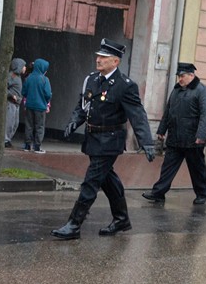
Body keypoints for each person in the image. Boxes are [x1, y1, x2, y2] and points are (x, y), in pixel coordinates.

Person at [51, 39, 156, 239]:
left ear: (115, 61)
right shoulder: (91, 79)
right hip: (93, 138)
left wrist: (146, 141)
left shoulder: (125, 86)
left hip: (110, 140)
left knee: (91, 181)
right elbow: (83, 105)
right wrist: (74, 121)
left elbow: (137, 115)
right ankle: (121, 219)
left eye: (103, 57)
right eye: (98, 56)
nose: (98, 59)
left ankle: (74, 224)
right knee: (108, 180)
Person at [142, 62, 206, 205]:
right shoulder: (176, 91)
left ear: (191, 75)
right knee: (167, 167)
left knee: (197, 169)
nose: (180, 79)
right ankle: (158, 193)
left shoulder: (202, 91)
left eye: (182, 76)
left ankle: (202, 194)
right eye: (179, 76)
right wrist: (161, 130)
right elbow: (168, 112)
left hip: (193, 140)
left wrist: (201, 136)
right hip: (175, 138)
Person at [20, 58, 52, 153]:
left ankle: (27, 145)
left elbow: (24, 92)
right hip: (40, 107)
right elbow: (48, 94)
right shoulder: (45, 79)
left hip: (29, 105)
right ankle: (37, 146)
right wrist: (46, 102)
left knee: (29, 125)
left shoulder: (28, 78)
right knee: (39, 126)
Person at [5, 58, 26, 147]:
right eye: (23, 66)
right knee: (9, 123)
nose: (25, 68)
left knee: (15, 123)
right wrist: (11, 95)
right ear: (19, 66)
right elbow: (4, 88)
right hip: (11, 103)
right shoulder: (11, 76)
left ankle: (8, 139)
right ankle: (5, 140)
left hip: (16, 104)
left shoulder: (18, 77)